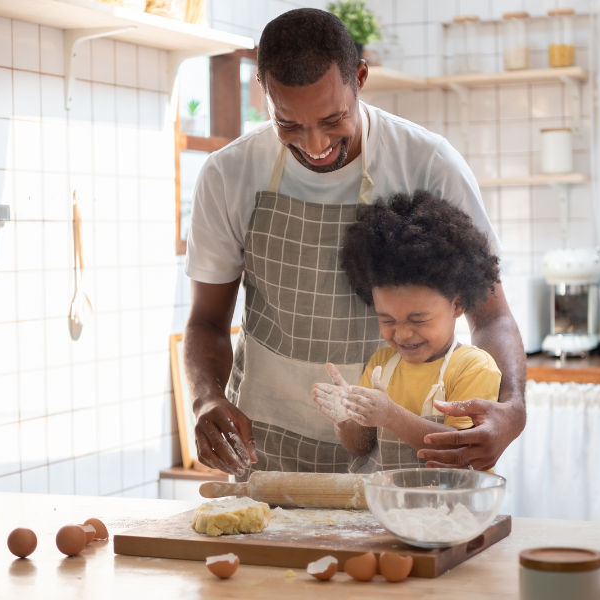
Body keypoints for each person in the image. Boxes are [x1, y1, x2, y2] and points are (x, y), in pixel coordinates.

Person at [184, 8, 526, 478]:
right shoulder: (228, 175)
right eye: (289, 125)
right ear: (264, 95)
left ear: (359, 77)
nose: (314, 143)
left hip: (396, 457)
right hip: (268, 454)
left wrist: (512, 408)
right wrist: (207, 399)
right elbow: (206, 322)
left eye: (332, 118)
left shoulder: (427, 163)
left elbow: (491, 315)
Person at [312, 190, 502, 473]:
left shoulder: (473, 368)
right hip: (388, 509)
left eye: (418, 319)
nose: (402, 334)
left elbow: (461, 453)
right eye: (387, 320)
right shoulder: (381, 364)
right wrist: (345, 418)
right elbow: (360, 447)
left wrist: (390, 415)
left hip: (452, 510)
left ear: (457, 304)